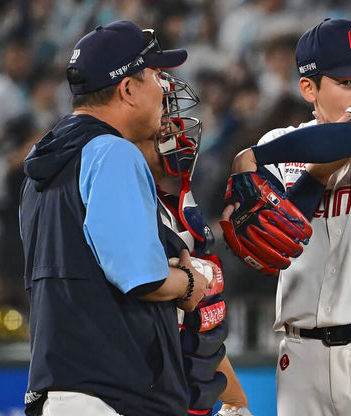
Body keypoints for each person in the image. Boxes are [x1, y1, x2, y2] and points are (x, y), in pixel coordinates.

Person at [222, 18, 351, 416]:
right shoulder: (279, 145)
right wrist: (315, 174)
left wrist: (255, 157)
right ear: (309, 89)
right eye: (349, 83)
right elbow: (280, 247)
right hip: (301, 360)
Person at [19, 21, 213, 416]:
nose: (165, 88)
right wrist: (190, 281)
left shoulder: (44, 165)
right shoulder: (111, 152)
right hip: (112, 389)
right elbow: (142, 278)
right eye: (157, 75)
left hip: (61, 384)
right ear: (127, 88)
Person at [135, 71, 253, 416]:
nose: (174, 128)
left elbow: (199, 328)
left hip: (187, 396)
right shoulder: (125, 206)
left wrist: (235, 399)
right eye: (163, 118)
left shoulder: (181, 204)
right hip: (145, 395)